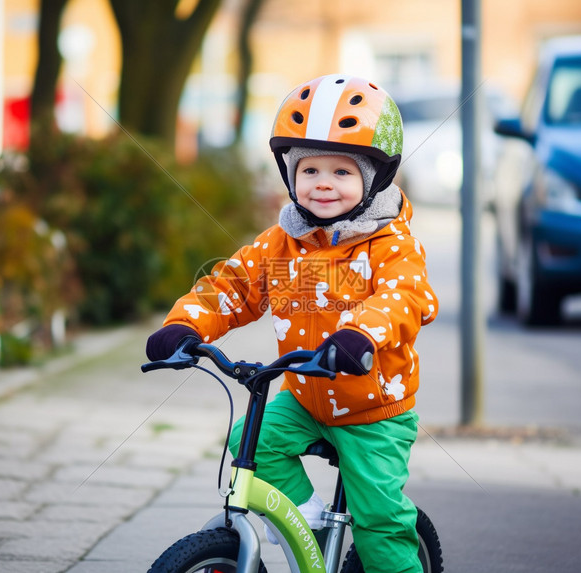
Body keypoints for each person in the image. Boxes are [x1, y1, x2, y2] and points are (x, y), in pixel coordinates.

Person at [146, 73, 438, 573]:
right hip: (305, 396)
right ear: (290, 176)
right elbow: (233, 285)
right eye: (309, 170)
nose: (323, 184)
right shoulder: (283, 245)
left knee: (380, 525)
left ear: (374, 179)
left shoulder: (390, 246)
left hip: (373, 410)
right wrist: (185, 327)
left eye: (342, 172)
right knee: (248, 442)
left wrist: (359, 335)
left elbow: (404, 298)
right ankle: (311, 524)